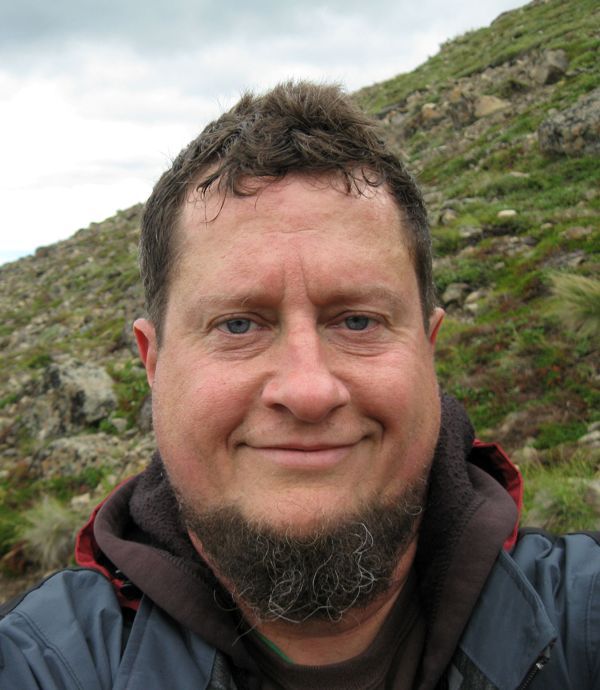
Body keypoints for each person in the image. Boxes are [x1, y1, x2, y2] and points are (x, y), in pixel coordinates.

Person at [0, 81, 598, 690]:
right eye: (238, 325)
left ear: (428, 348)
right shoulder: (39, 665)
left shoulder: (583, 617)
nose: (308, 392)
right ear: (154, 362)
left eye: (358, 321)